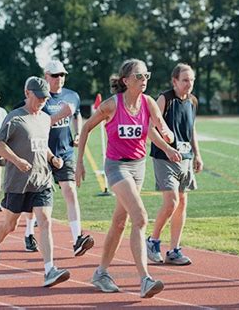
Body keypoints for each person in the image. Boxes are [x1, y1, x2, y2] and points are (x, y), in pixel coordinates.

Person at [75, 59, 181, 298]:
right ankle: (145, 279)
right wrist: (79, 161)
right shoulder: (112, 105)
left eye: (146, 76)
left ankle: (101, 272)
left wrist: (167, 142)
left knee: (120, 222)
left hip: (138, 167)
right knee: (140, 217)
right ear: (126, 81)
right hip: (116, 167)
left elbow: (154, 129)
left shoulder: (149, 102)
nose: (144, 81)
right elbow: (85, 128)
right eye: (139, 77)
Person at [0, 76, 71, 288]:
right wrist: (16, 160)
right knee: (10, 225)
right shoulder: (15, 118)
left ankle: (50, 269)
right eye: (39, 97)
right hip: (18, 182)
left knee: (45, 221)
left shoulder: (44, 118)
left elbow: (42, 144)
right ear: (27, 93)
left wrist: (52, 158)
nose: (42, 101)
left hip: (42, 180)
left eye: (45, 98)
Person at [146, 63, 203, 265]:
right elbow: (150, 129)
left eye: (192, 80)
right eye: (185, 80)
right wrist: (168, 149)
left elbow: (191, 130)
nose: (189, 84)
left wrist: (197, 155)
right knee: (171, 202)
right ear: (175, 81)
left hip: (185, 158)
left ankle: (174, 250)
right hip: (164, 158)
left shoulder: (192, 102)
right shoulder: (165, 99)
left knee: (182, 203)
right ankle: (153, 241)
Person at [38, 59, 94, 257]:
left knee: (70, 192)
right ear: (46, 76)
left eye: (62, 75)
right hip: (42, 154)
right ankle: (29, 232)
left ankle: (77, 238)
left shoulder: (72, 95)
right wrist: (60, 114)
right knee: (36, 202)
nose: (59, 79)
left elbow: (77, 114)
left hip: (65, 152)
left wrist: (77, 133)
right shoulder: (40, 97)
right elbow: (38, 126)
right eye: (55, 75)